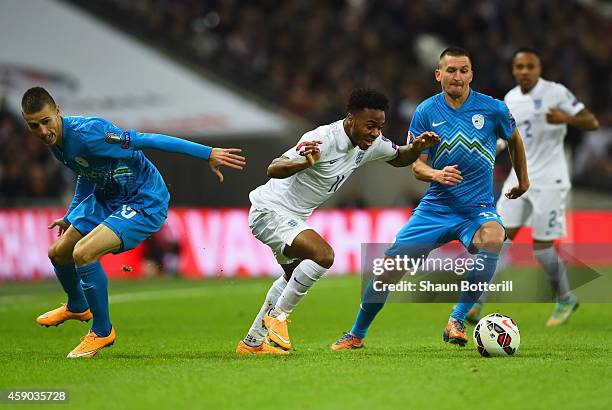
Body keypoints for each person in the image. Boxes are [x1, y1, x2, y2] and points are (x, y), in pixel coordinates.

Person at [21, 86, 246, 358]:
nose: (42, 131)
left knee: (84, 253)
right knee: (58, 253)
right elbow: (85, 171)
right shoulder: (56, 144)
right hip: (108, 194)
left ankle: (102, 332)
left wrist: (207, 153)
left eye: (46, 121)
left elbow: (148, 139)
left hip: (143, 198)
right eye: (34, 126)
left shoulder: (91, 133)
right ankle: (78, 305)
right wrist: (71, 215)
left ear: (57, 111)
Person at [331, 46, 530, 350]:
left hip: (477, 209)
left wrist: (523, 180)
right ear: (439, 75)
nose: (457, 76)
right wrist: (436, 174)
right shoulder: (425, 112)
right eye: (451, 70)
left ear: (471, 74)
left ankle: (457, 319)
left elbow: (514, 139)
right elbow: (417, 165)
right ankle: (356, 334)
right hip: (435, 209)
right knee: (387, 271)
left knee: (494, 237)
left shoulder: (494, 109)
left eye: (464, 70)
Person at [235, 88, 440, 354]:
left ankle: (252, 342)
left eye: (380, 126)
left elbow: (399, 157)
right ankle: (278, 318)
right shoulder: (321, 139)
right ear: (351, 118)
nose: (375, 133)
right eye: (370, 126)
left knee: (291, 277)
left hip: (291, 217)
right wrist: (302, 164)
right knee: (324, 255)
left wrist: (416, 148)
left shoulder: (371, 144)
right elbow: (274, 167)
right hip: (270, 211)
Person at [467, 48, 599, 326]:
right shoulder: (510, 99)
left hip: (550, 180)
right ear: (513, 70)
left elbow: (591, 122)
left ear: (539, 68)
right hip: (518, 178)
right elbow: (505, 136)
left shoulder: (557, 93)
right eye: (519, 67)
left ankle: (565, 298)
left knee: (541, 248)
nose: (524, 71)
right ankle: (475, 305)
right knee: (496, 240)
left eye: (530, 66)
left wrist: (567, 119)